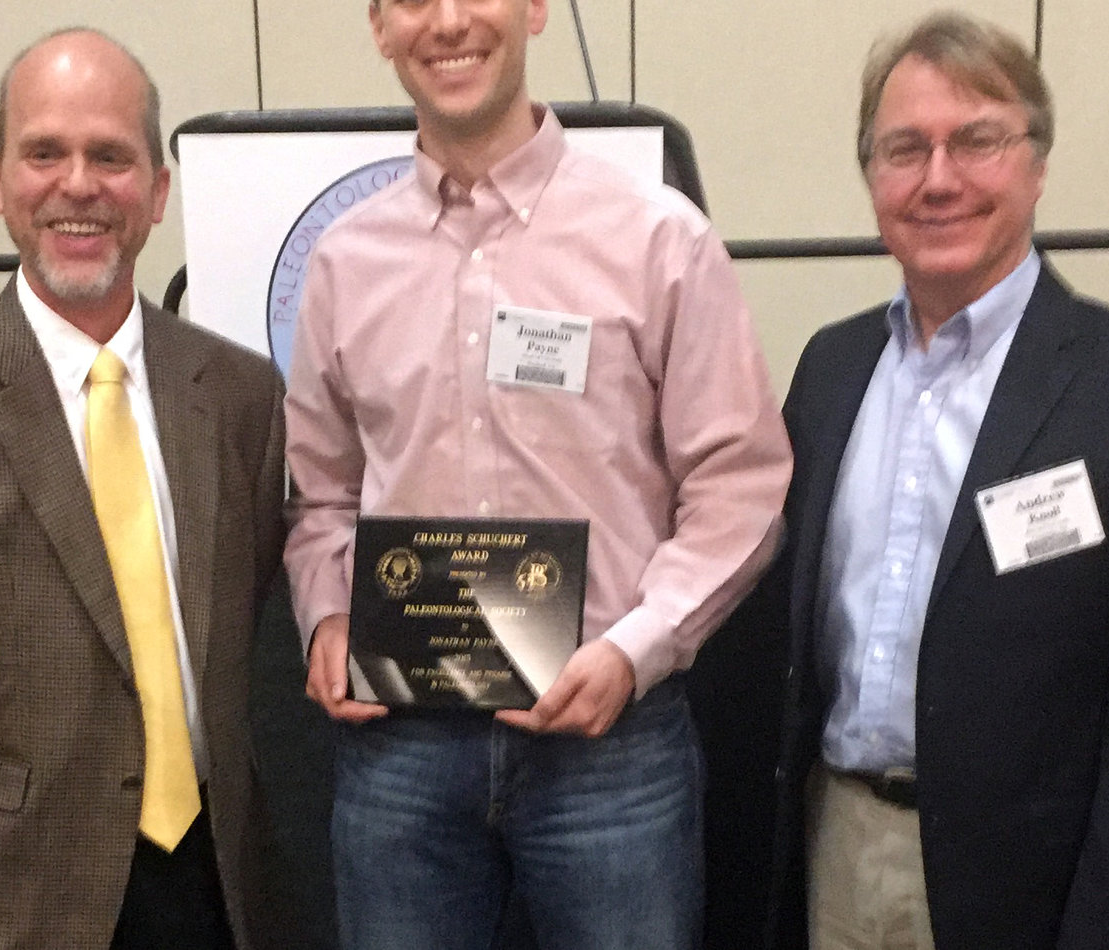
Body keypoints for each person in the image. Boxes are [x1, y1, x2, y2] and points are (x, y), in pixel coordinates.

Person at [280, 0, 792, 947]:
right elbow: (320, 491)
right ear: (380, 27)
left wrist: (637, 649)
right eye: (411, 2)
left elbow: (741, 484)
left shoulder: (657, 239)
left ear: (535, 10)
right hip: (402, 743)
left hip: (610, 747)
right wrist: (329, 613)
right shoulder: (346, 263)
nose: (447, 23)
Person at [743, 10, 1109, 949]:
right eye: (904, 150)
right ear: (870, 177)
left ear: (1036, 163)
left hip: (1031, 884)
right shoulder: (831, 369)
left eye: (976, 141)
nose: (939, 179)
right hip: (835, 847)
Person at [0, 28, 289, 950]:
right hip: (13, 894)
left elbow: (253, 629)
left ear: (157, 193)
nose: (78, 184)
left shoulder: (241, 396)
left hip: (216, 886)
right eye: (46, 152)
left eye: (111, 156)